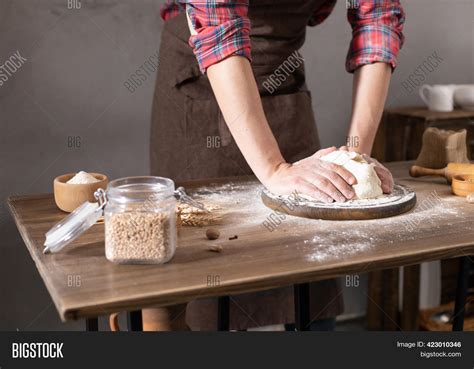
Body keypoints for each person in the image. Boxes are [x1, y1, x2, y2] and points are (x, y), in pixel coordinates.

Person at [144, 0, 405, 331]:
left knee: (312, 266)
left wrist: (354, 158)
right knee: (209, 276)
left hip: (282, 80)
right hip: (202, 82)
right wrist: (274, 169)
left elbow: (377, 22)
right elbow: (219, 28)